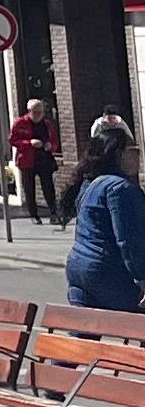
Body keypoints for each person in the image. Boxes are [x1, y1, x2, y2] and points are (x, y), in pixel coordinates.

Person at [72, 116, 145, 314]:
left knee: (84, 333)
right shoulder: (121, 188)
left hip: (78, 267)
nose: (137, 154)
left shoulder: (91, 183)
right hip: (107, 270)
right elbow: (129, 240)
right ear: (118, 155)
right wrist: (142, 278)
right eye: (132, 149)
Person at [12, 97, 66, 227]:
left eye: (41, 112)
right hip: (27, 160)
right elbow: (13, 140)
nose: (38, 115)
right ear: (29, 111)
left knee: (48, 186)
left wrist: (50, 146)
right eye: (35, 112)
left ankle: (54, 213)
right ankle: (34, 215)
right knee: (29, 188)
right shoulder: (20, 123)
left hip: (44, 159)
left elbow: (54, 141)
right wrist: (29, 143)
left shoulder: (46, 124)